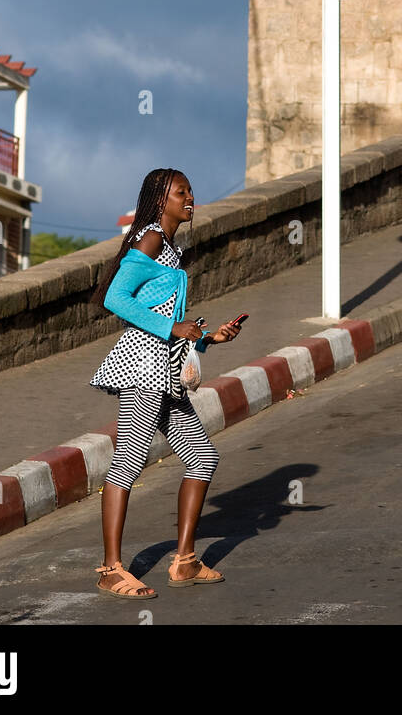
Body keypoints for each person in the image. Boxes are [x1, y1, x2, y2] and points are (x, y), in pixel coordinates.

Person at [89, 167, 243, 598]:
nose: (190, 198)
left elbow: (168, 319)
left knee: (202, 457)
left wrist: (207, 336)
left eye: (191, 191)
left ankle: (185, 562)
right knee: (127, 464)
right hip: (141, 369)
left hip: (166, 370)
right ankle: (110, 569)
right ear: (161, 200)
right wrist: (173, 329)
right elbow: (115, 298)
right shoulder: (152, 239)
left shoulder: (170, 248)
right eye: (181, 193)